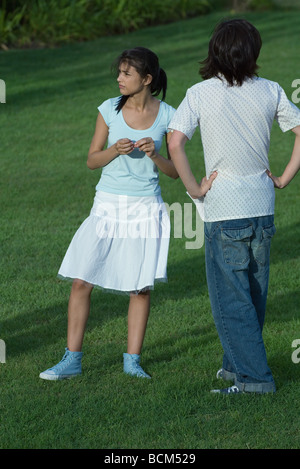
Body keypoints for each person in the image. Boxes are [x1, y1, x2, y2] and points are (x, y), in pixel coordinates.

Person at [168, 19, 300, 394]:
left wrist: (195, 188)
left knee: (231, 298)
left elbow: (175, 143)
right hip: (263, 206)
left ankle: (255, 381)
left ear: (214, 51)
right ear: (253, 53)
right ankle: (234, 367)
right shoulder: (271, 90)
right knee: (253, 294)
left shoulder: (199, 93)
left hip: (224, 209)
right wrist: (285, 177)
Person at [39, 47, 181, 380]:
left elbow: (176, 172)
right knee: (80, 280)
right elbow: (91, 160)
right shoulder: (108, 110)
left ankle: (132, 361)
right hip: (107, 205)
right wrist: (113, 151)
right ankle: (71, 359)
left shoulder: (169, 115)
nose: (119, 78)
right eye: (118, 72)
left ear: (146, 79)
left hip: (146, 207)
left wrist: (155, 156)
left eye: (126, 73)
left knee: (140, 288)